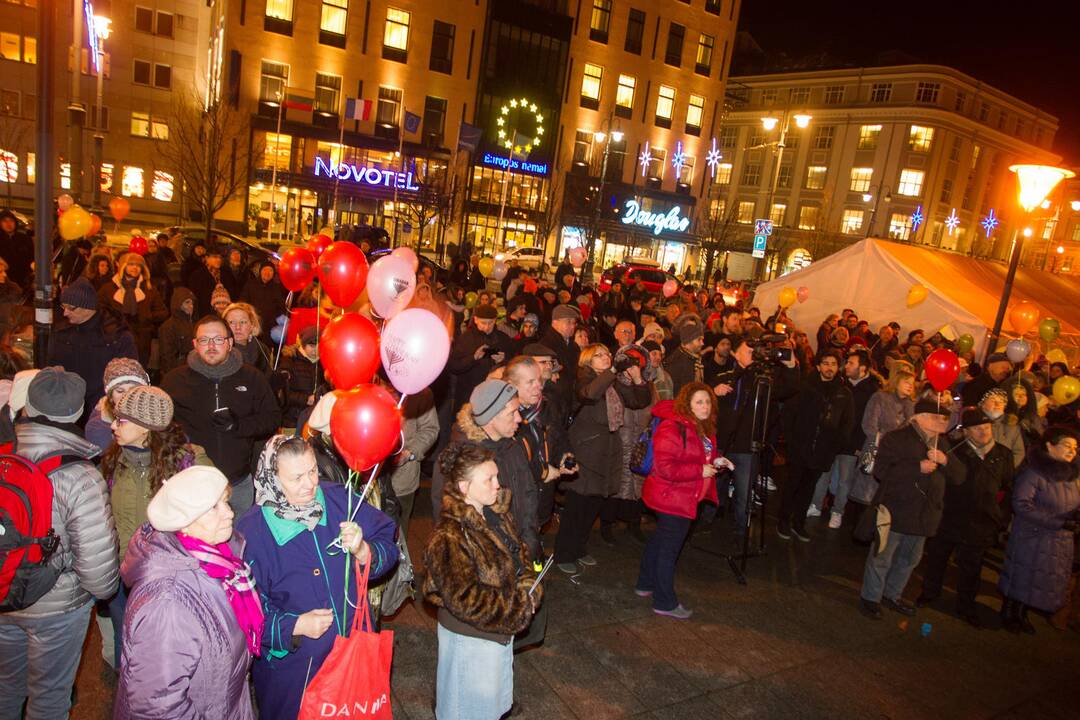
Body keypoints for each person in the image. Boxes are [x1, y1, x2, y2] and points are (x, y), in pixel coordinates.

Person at [236, 435, 398, 720]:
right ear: (272, 478)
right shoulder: (251, 532)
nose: (310, 484)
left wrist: (364, 551)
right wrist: (294, 625)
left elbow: (388, 543)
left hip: (352, 655)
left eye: (312, 471)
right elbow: (243, 613)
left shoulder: (340, 499)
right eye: (296, 477)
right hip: (295, 673)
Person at [0, 368, 119, 719]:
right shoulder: (80, 475)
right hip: (57, 608)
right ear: (76, 413)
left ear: (28, 405)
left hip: (4, 593)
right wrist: (98, 595)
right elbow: (99, 575)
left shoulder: (5, 454)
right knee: (49, 697)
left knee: (6, 687)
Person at [114, 466, 260, 719]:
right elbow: (157, 706)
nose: (229, 513)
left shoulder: (220, 561)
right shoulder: (167, 602)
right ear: (184, 522)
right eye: (213, 508)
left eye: (225, 502)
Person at [422, 442, 541, 720]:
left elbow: (518, 554)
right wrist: (517, 608)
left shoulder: (494, 514)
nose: (497, 484)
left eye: (496, 476)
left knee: (489, 708)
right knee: (468, 710)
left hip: (494, 633)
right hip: (471, 641)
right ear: (464, 487)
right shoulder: (449, 536)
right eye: (489, 479)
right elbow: (464, 598)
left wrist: (528, 585)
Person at [100, 385, 212, 666]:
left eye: (121, 420)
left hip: (170, 583)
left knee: (167, 659)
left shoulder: (188, 462)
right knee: (126, 653)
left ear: (146, 426)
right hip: (123, 581)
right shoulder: (114, 460)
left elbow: (215, 518)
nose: (113, 426)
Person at [161, 315, 281, 514]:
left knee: (240, 539)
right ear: (194, 344)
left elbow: (272, 418)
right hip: (192, 481)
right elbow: (162, 427)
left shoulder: (251, 377)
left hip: (237, 482)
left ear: (230, 343)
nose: (211, 346)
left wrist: (239, 425)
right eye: (204, 340)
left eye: (218, 339)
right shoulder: (175, 381)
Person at [858, 399, 963, 620]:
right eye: (937, 417)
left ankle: (892, 594)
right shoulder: (896, 439)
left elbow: (960, 476)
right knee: (882, 556)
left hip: (925, 514)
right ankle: (871, 597)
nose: (943, 421)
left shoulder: (941, 444)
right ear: (919, 418)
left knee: (909, 559)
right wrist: (917, 467)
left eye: (944, 418)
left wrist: (945, 461)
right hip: (896, 510)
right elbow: (882, 471)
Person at [554, 344, 650, 574]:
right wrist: (613, 371)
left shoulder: (614, 381)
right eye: (599, 355)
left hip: (607, 449)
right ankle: (563, 553)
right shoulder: (582, 378)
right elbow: (589, 394)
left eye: (607, 354)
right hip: (586, 449)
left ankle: (579, 548)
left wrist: (638, 379)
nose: (606, 357)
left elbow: (638, 401)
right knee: (578, 503)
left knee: (594, 503)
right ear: (587, 360)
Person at [917, 407, 1014, 627]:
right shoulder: (955, 451)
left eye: (987, 427)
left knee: (972, 566)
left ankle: (965, 605)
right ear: (966, 431)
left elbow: (1009, 487)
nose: (984, 432)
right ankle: (929, 593)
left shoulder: (1003, 455)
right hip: (951, 514)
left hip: (982, 520)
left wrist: (1000, 517)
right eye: (978, 429)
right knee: (938, 557)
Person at [636, 383, 721, 619]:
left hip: (686, 496)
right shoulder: (673, 427)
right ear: (687, 404)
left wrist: (718, 461)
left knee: (660, 541)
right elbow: (665, 468)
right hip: (672, 498)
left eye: (707, 401)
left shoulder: (702, 426)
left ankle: (645, 583)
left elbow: (702, 455)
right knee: (669, 550)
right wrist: (699, 470)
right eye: (699, 402)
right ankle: (664, 601)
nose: (704, 406)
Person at [431, 380, 542, 561]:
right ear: (491, 417)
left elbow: (528, 494)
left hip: (518, 551)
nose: (519, 419)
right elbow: (444, 516)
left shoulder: (512, 447)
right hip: (485, 560)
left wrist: (530, 542)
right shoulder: (459, 459)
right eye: (512, 413)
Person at [711, 338, 798, 547]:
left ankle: (741, 531)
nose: (753, 353)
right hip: (723, 444)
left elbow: (789, 388)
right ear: (736, 353)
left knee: (743, 495)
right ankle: (708, 521)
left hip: (747, 448)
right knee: (714, 489)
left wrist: (791, 365)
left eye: (755, 351)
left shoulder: (762, 380)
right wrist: (714, 392)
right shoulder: (723, 375)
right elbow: (703, 399)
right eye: (748, 350)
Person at [998, 426, 1080, 634]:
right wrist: (1056, 522)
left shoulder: (1073, 477)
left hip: (1058, 539)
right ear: (1050, 446)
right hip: (1032, 534)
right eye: (1067, 446)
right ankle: (1009, 612)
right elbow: (1022, 504)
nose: (1072, 451)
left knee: (1039, 578)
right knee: (1023, 573)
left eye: (1075, 447)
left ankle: (1022, 613)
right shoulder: (1034, 473)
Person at [777, 350, 854, 541]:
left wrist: (834, 447)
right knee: (792, 484)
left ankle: (799, 523)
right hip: (800, 447)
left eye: (833, 364)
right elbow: (789, 415)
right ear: (819, 366)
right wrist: (791, 441)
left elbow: (847, 423)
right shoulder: (805, 387)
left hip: (822, 451)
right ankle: (783, 521)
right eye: (825, 363)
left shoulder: (843, 393)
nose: (829, 367)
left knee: (809, 488)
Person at [47, 276, 139, 421]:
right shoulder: (61, 331)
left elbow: (127, 377)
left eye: (71, 308)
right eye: (63, 307)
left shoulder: (116, 336)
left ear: (88, 307)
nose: (65, 313)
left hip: (100, 410)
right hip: (65, 408)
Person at [808, 349, 881, 529]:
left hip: (852, 443)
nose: (846, 366)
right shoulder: (840, 384)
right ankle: (816, 505)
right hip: (832, 439)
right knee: (823, 474)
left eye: (851, 363)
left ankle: (837, 511)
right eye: (846, 363)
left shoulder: (872, 391)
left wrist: (859, 444)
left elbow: (868, 420)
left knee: (845, 480)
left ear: (862, 368)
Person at [505, 355, 572, 538]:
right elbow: (511, 462)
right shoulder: (504, 417)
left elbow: (558, 436)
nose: (539, 387)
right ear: (512, 384)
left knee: (535, 537)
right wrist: (542, 472)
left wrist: (564, 456)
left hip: (543, 495)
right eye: (530, 382)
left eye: (540, 380)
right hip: (515, 501)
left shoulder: (547, 406)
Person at [850, 370, 916, 506]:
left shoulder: (911, 405)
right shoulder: (880, 397)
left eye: (912, 384)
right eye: (906, 382)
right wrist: (882, 440)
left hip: (898, 456)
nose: (910, 386)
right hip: (877, 449)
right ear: (896, 382)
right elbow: (869, 424)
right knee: (866, 494)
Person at [96, 252, 168, 367]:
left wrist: (147, 317)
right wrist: (112, 323)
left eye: (138, 265)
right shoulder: (108, 289)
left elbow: (163, 312)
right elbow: (98, 310)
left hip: (141, 341)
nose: (135, 268)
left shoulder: (149, 289)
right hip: (114, 340)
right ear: (123, 266)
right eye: (131, 264)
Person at [446, 303, 512, 414]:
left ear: (495, 320)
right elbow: (453, 366)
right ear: (475, 320)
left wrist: (504, 360)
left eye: (490, 323)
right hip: (468, 396)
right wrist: (473, 357)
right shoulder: (466, 338)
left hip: (495, 395)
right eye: (483, 323)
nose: (486, 327)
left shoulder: (503, 338)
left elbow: (514, 364)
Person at [84, 357, 151, 450]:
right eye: (120, 391)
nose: (126, 396)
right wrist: (105, 421)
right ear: (110, 396)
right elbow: (100, 449)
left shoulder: (153, 410)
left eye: (133, 390)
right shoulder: (98, 422)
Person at [277, 324, 324, 430]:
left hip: (316, 420)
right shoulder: (289, 361)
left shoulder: (323, 364)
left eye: (319, 346)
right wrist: (306, 399)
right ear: (303, 345)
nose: (315, 350)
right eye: (312, 346)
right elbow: (283, 393)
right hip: (292, 420)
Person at [539, 304, 581, 412]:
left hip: (570, 398)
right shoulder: (545, 345)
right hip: (555, 399)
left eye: (574, 323)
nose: (572, 326)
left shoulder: (573, 346)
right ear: (555, 322)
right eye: (568, 322)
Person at [240, 260, 287, 342]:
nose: (267, 272)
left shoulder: (277, 288)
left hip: (270, 325)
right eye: (265, 269)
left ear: (273, 273)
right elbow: (243, 302)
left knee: (267, 348)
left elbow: (282, 306)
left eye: (270, 270)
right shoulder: (250, 285)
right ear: (260, 271)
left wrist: (275, 318)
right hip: (253, 323)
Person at [981, 388, 1026, 469]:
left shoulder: (1012, 427)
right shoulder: (974, 424)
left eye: (1001, 401)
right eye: (992, 400)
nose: (997, 404)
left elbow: (1019, 452)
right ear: (983, 404)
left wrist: (1006, 469)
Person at [224, 301, 272, 373]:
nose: (238, 327)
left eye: (243, 322)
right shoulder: (221, 351)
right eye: (232, 322)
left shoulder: (262, 350)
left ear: (252, 325)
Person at [158, 287, 196, 375]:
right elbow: (166, 356)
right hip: (178, 371)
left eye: (192, 302)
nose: (191, 306)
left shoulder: (194, 323)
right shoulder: (168, 326)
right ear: (178, 304)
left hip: (193, 368)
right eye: (187, 302)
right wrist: (172, 375)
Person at [665, 320, 705, 397]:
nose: (702, 343)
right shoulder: (679, 362)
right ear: (688, 341)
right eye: (699, 340)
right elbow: (683, 393)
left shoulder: (691, 358)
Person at [0, 208, 32, 290]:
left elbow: (32, 256)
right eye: (4, 221)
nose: (8, 224)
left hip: (23, 280)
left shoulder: (24, 238)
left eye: (11, 220)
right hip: (4, 281)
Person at [188, 247, 225, 316]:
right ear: (207, 258)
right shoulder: (197, 275)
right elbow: (194, 299)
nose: (218, 260)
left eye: (220, 257)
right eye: (215, 257)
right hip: (204, 314)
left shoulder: (225, 274)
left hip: (223, 313)